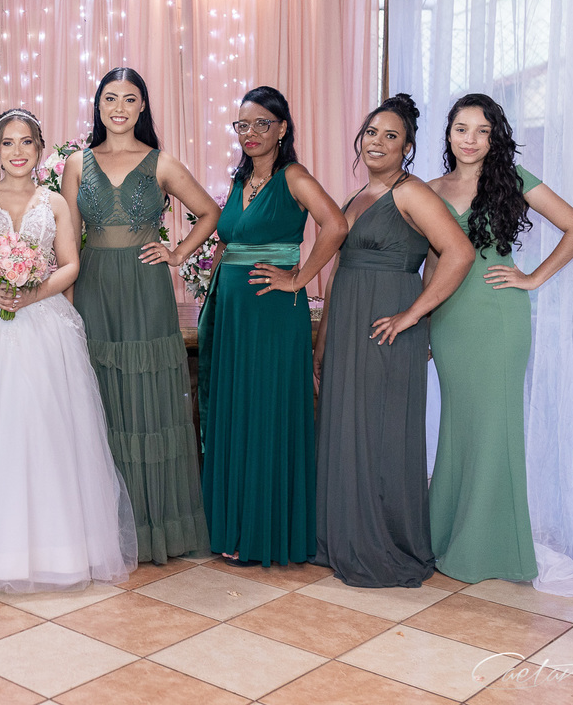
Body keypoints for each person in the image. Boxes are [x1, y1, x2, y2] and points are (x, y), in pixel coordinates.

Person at [0, 108, 137, 592]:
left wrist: (34, 293)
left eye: (26, 142)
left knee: (43, 430)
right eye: (7, 143)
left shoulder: (54, 203)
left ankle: (53, 551)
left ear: (39, 149)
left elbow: (70, 264)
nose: (17, 151)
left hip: (42, 321)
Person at [426, 93, 573, 584]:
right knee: (457, 428)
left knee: (494, 429)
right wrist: (425, 317)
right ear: (449, 134)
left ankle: (487, 551)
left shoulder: (513, 179)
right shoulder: (431, 189)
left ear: (494, 137)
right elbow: (433, 262)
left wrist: (533, 277)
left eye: (482, 131)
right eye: (462, 129)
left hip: (498, 317)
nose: (471, 139)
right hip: (450, 321)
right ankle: (445, 537)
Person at [61, 67, 220, 564]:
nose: (120, 108)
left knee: (148, 397)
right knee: (99, 394)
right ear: (98, 105)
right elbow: (66, 240)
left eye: (130, 99)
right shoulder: (76, 163)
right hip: (93, 286)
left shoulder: (161, 163)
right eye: (111, 98)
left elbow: (210, 212)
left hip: (145, 287)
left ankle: (153, 528)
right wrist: (68, 307)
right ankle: (104, 529)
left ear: (143, 106)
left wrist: (177, 253)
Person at [312, 94, 473, 587]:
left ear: (407, 148)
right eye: (371, 132)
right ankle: (343, 536)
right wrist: (322, 341)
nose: (377, 142)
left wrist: (413, 315)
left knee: (380, 433)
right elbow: (338, 270)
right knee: (346, 427)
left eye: (391, 136)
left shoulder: (411, 193)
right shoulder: (354, 197)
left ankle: (382, 543)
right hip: (346, 325)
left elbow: (459, 253)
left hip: (386, 326)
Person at [199, 85, 348, 568]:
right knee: (236, 410)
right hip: (234, 315)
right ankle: (233, 525)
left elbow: (336, 225)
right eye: (242, 125)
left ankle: (262, 532)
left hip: (272, 314)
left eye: (262, 123)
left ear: (282, 128)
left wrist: (299, 279)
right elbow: (229, 241)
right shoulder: (241, 179)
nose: (251, 133)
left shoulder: (293, 176)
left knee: (265, 411)